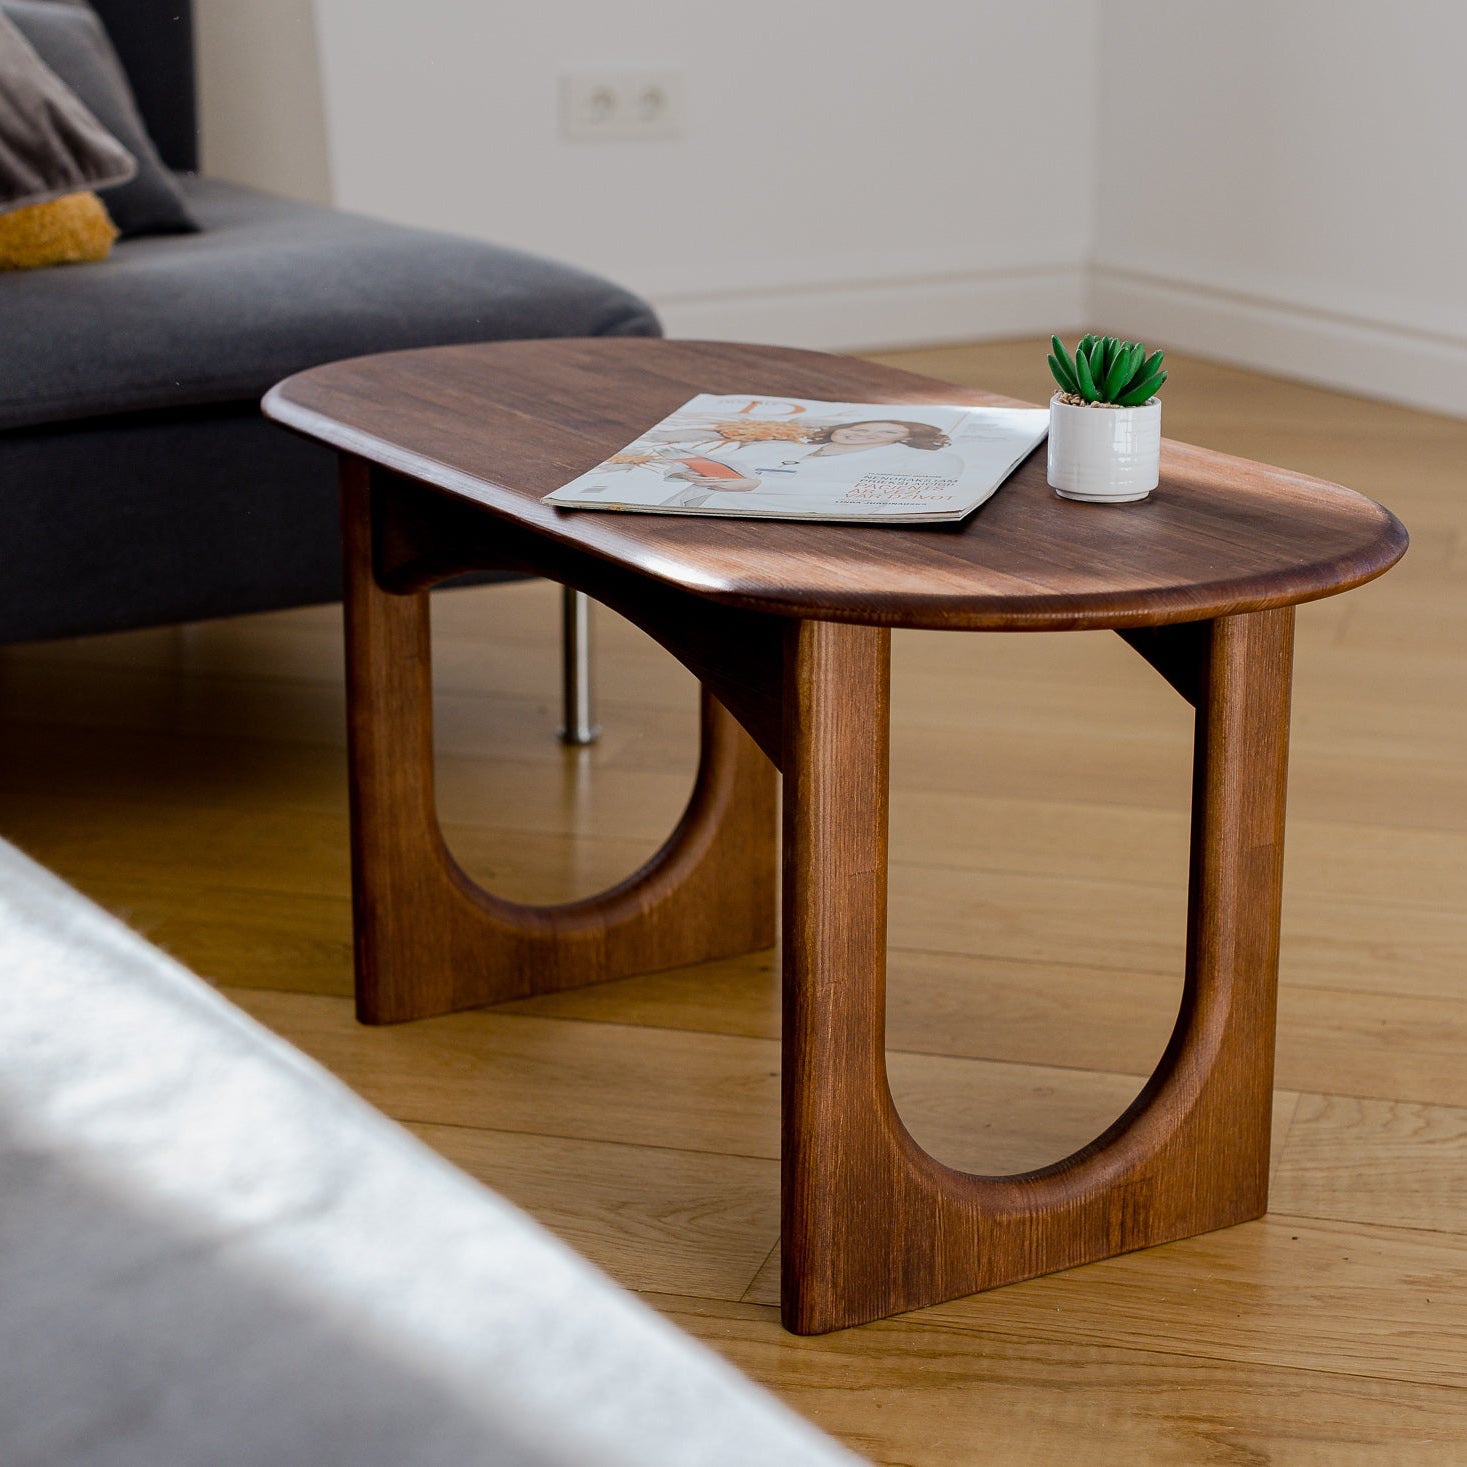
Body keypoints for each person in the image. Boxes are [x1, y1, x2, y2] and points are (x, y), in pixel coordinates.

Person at [660, 419, 964, 508]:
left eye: (886, 432)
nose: (865, 433)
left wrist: (759, 485)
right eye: (862, 426)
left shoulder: (908, 462)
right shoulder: (773, 446)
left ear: (901, 441)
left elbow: (859, 498)